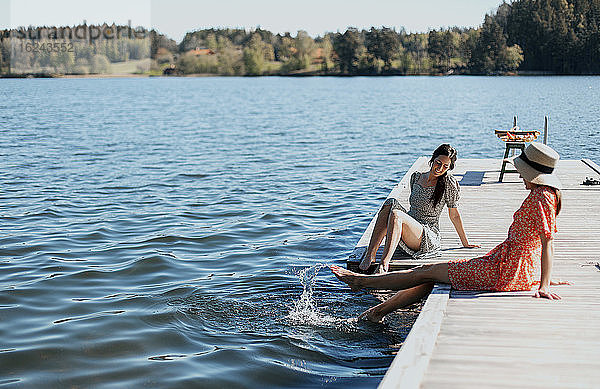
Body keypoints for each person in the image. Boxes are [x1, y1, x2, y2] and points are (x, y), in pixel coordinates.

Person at [333, 142, 569, 322]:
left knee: (425, 271)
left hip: (502, 271)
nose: (519, 175)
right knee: (429, 276)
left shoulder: (541, 197)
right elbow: (535, 243)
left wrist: (544, 285)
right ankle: (377, 312)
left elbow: (548, 242)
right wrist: (535, 277)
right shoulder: (543, 195)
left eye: (522, 171)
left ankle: (361, 281)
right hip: (507, 266)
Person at [359, 144, 478, 274]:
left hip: (427, 235)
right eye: (438, 163)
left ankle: (384, 263)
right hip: (410, 227)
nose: (440, 168)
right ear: (433, 159)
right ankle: (371, 254)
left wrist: (465, 243)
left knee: (397, 214)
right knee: (390, 203)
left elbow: (454, 215)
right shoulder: (416, 177)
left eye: (445, 166)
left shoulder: (448, 183)